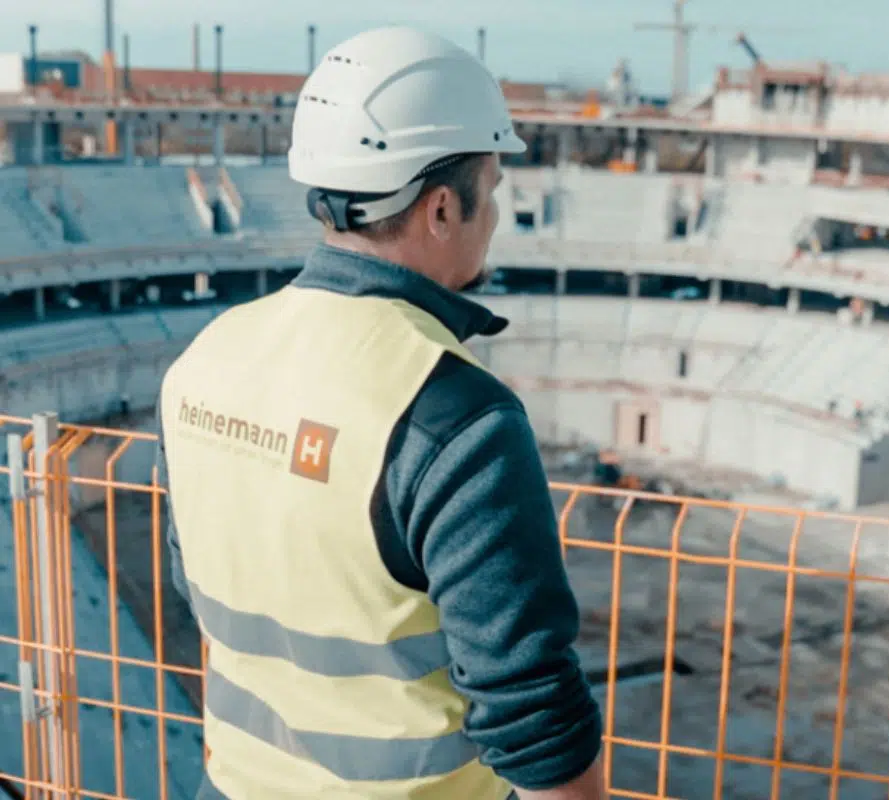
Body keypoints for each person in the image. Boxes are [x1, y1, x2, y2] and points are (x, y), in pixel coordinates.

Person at [156, 26, 605, 800]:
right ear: (439, 208)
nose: (495, 213)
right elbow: (533, 717)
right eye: (491, 190)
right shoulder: (458, 417)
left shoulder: (205, 358)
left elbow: (193, 583)